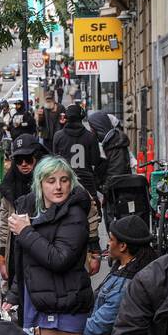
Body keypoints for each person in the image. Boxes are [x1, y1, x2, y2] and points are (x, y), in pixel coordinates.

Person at [5, 155, 95, 335]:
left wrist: (26, 232)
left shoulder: (74, 215)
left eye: (64, 180)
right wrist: (15, 293)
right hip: (46, 303)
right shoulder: (37, 212)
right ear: (39, 184)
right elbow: (27, 261)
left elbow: (59, 259)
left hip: (66, 305)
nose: (58, 187)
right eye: (51, 181)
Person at [82, 215, 151, 335]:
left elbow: (98, 327)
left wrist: (64, 331)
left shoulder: (125, 284)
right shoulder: (122, 268)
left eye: (111, 239)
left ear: (123, 246)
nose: (107, 243)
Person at [51, 103, 104, 257]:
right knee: (93, 215)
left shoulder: (58, 136)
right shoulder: (90, 136)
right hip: (86, 181)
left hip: (65, 182)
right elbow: (95, 160)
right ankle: (93, 247)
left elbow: (55, 160)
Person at [0, 133, 47, 279]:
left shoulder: (51, 179)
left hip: (46, 250)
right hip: (17, 252)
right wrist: (2, 254)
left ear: (37, 157)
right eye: (19, 160)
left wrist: (92, 247)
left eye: (28, 159)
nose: (24, 164)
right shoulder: (9, 184)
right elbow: (5, 223)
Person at [87, 111, 132, 188]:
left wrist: (104, 188)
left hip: (117, 192)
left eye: (92, 128)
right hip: (114, 190)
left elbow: (116, 173)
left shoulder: (115, 144)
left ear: (98, 127)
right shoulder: (107, 142)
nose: (91, 131)